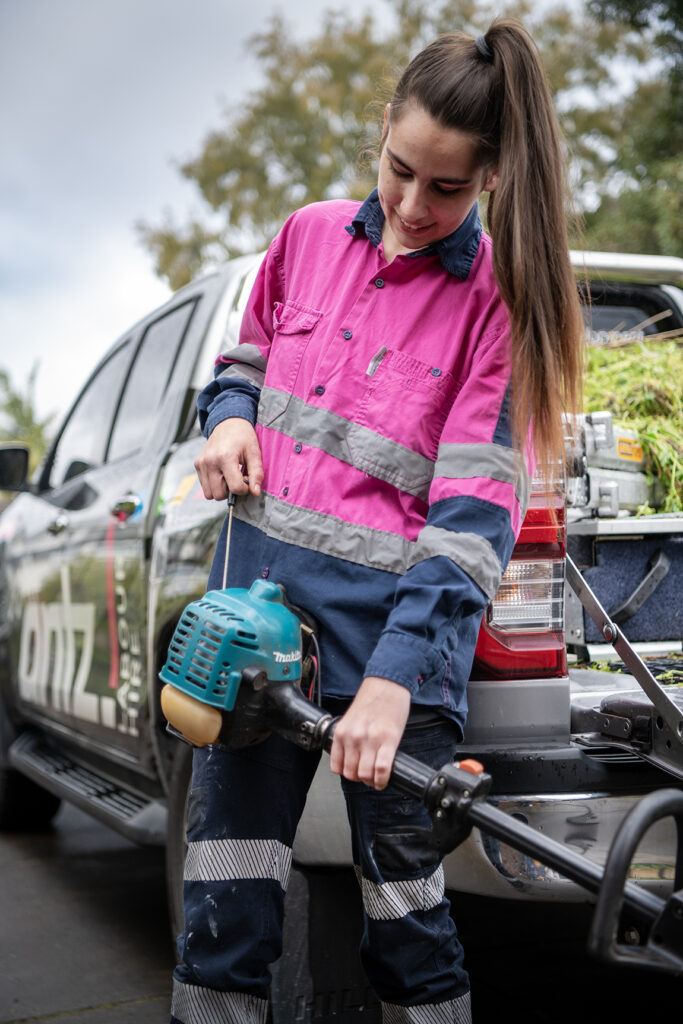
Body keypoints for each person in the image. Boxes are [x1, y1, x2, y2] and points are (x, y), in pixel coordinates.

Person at [170, 18, 583, 1024]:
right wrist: (225, 424)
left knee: (405, 921)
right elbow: (242, 365)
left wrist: (393, 683)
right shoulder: (305, 237)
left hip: (391, 659)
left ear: (487, 177)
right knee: (220, 902)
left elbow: (469, 521)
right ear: (381, 134)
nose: (409, 206)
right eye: (399, 171)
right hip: (255, 641)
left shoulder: (499, 303)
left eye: (445, 189)